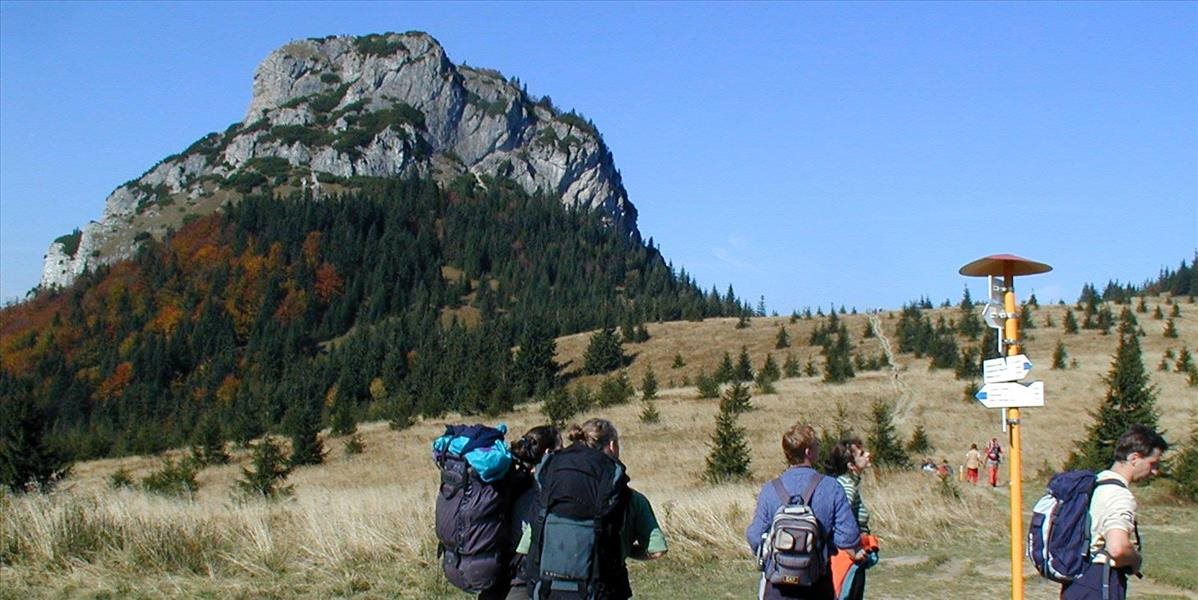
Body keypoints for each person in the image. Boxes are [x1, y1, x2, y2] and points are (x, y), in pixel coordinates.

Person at [524, 418, 666, 600]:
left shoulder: (551, 490)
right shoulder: (630, 498)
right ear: (612, 445)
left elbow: (526, 545)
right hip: (602, 592)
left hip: (548, 591)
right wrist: (623, 549)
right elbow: (657, 550)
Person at [747, 423, 862, 599]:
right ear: (808, 452)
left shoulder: (770, 489)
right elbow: (848, 537)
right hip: (817, 585)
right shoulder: (831, 487)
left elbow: (754, 536)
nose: (819, 448)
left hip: (777, 588)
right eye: (817, 444)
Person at [1061, 425, 1168, 600]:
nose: (1155, 471)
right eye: (1153, 464)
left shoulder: (1094, 484)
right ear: (1135, 458)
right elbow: (1117, 548)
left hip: (1075, 578)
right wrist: (1135, 559)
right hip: (1101, 579)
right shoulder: (1119, 495)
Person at [480, 425, 561, 600]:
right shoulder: (541, 493)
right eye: (560, 450)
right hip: (521, 579)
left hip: (495, 572)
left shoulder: (508, 481)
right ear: (548, 452)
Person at [824, 437, 879, 600]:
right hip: (847, 558)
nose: (867, 454)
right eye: (861, 453)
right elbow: (837, 519)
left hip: (849, 555)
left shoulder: (846, 483)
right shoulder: (847, 487)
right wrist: (852, 550)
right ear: (850, 465)